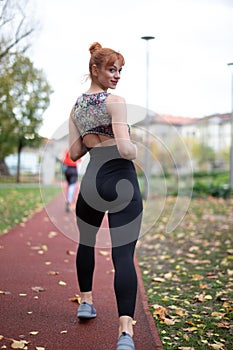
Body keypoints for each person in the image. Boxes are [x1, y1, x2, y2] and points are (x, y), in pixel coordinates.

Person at [68, 42, 143, 350]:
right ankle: (125, 332)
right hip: (121, 180)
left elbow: (74, 154)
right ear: (95, 69)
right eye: (112, 69)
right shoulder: (116, 101)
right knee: (123, 255)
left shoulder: (75, 107)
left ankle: (85, 302)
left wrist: (91, 135)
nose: (117, 76)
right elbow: (125, 149)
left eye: (120, 70)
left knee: (86, 242)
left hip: (92, 182)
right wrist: (136, 146)